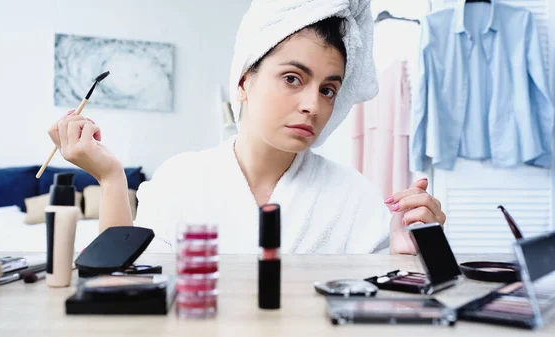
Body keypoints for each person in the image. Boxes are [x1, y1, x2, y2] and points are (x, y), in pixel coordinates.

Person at [47, 0, 445, 255]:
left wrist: (404, 253)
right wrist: (112, 178)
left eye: (328, 89)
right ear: (243, 82)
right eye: (292, 78)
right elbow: (127, 286)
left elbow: (381, 306)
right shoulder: (180, 179)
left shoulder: (353, 195)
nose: (313, 105)